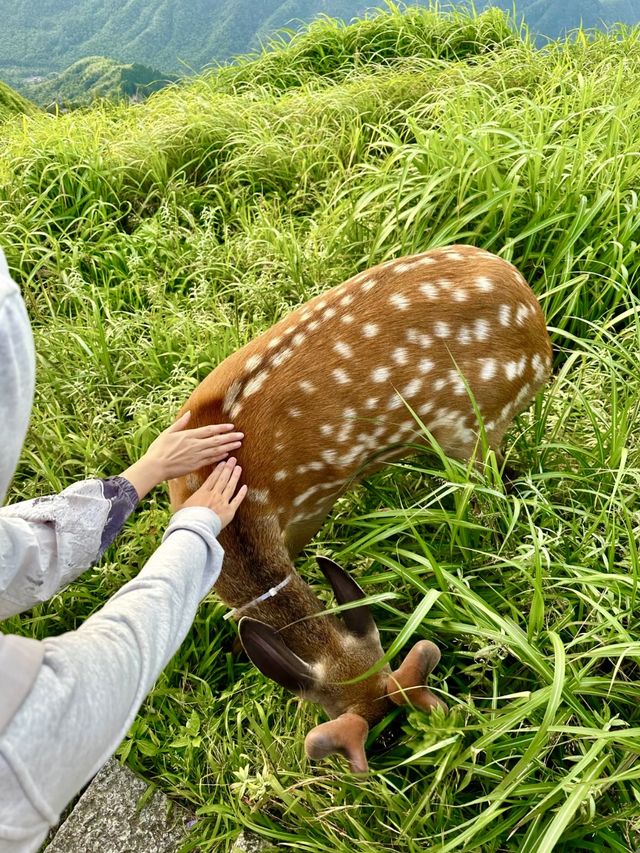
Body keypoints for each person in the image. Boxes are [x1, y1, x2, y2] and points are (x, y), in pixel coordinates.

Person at [0, 247, 248, 852]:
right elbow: (117, 660)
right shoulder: (12, 741)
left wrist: (138, 477)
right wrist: (192, 533)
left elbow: (13, 554)